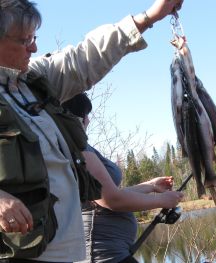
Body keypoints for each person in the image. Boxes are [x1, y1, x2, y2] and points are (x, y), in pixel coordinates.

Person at [0, 0, 184, 262]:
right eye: (24, 40)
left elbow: (83, 58)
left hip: (67, 252)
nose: (34, 47)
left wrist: (149, 17)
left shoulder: (34, 80)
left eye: (35, 37)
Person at [62, 93, 176, 263]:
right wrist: (163, 200)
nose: (88, 121)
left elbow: (107, 194)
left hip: (112, 253)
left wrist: (151, 186)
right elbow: (112, 200)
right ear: (75, 119)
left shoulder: (80, 147)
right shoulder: (77, 151)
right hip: (102, 255)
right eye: (85, 115)